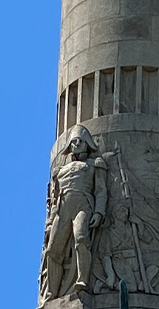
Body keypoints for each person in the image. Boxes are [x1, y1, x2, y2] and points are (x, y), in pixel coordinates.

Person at [42, 124, 108, 299]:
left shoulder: (95, 164)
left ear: (87, 144)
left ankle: (83, 280)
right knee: (52, 250)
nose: (76, 144)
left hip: (83, 205)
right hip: (63, 210)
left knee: (81, 238)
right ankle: (52, 292)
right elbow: (55, 198)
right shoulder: (60, 171)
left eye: (80, 141)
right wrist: (50, 221)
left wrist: (99, 212)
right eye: (73, 141)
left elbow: (101, 190)